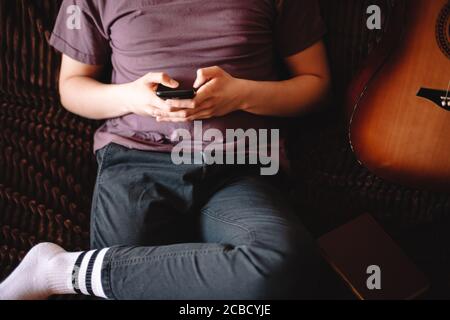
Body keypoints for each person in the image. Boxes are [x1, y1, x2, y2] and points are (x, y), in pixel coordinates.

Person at [0, 0, 330, 300]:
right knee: (125, 288)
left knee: (283, 261)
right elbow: (72, 87)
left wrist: (242, 95)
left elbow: (316, 84)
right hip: (135, 160)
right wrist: (131, 97)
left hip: (237, 162)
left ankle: (61, 271)